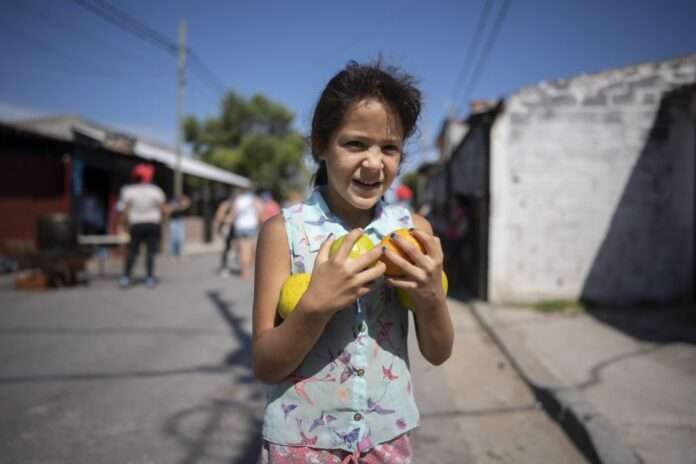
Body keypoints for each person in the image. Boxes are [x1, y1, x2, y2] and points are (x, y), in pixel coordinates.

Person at [252, 61, 453, 463]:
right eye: (356, 144)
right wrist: (315, 305)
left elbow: (438, 352)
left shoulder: (413, 232)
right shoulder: (283, 232)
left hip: (386, 442)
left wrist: (432, 298)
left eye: (389, 148)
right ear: (321, 145)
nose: (374, 163)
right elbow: (264, 364)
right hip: (302, 445)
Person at [117, 163, 166, 288]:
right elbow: (163, 209)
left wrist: (122, 225)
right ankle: (149, 278)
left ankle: (126, 277)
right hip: (152, 224)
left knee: (132, 251)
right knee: (150, 253)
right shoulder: (156, 191)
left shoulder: (129, 191)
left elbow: (125, 210)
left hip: (136, 224)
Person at [167, 194, 191, 258]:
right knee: (174, 237)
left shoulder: (181, 204)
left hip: (180, 221)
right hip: (173, 221)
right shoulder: (172, 203)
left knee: (180, 237)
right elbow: (168, 211)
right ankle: (173, 252)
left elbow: (186, 205)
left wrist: (183, 202)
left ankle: (179, 251)